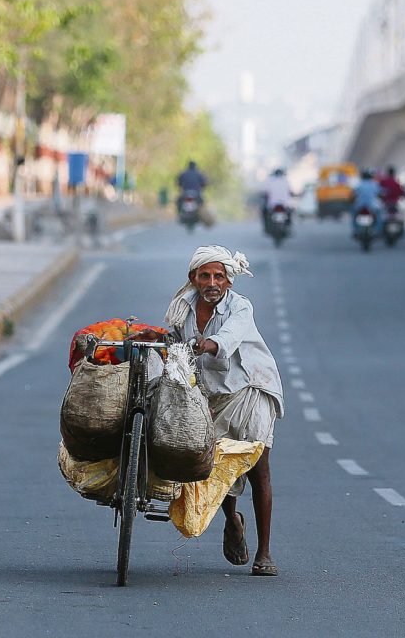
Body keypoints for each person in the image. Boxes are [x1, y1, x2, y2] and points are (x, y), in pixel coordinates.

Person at [135, 246, 284, 576]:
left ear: (228, 281)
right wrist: (157, 337)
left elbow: (227, 340)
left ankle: (264, 552)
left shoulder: (240, 307)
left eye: (219, 276)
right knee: (215, 466)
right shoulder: (182, 306)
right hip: (209, 396)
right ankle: (232, 520)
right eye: (205, 276)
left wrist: (207, 343)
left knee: (258, 468)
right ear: (194, 279)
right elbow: (173, 338)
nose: (212, 282)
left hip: (251, 389)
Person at [350, 169, 384, 234]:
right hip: (372, 206)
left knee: (354, 215)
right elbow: (380, 193)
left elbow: (353, 195)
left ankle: (355, 229)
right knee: (379, 216)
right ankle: (378, 230)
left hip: (360, 205)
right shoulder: (374, 184)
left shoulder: (359, 185)